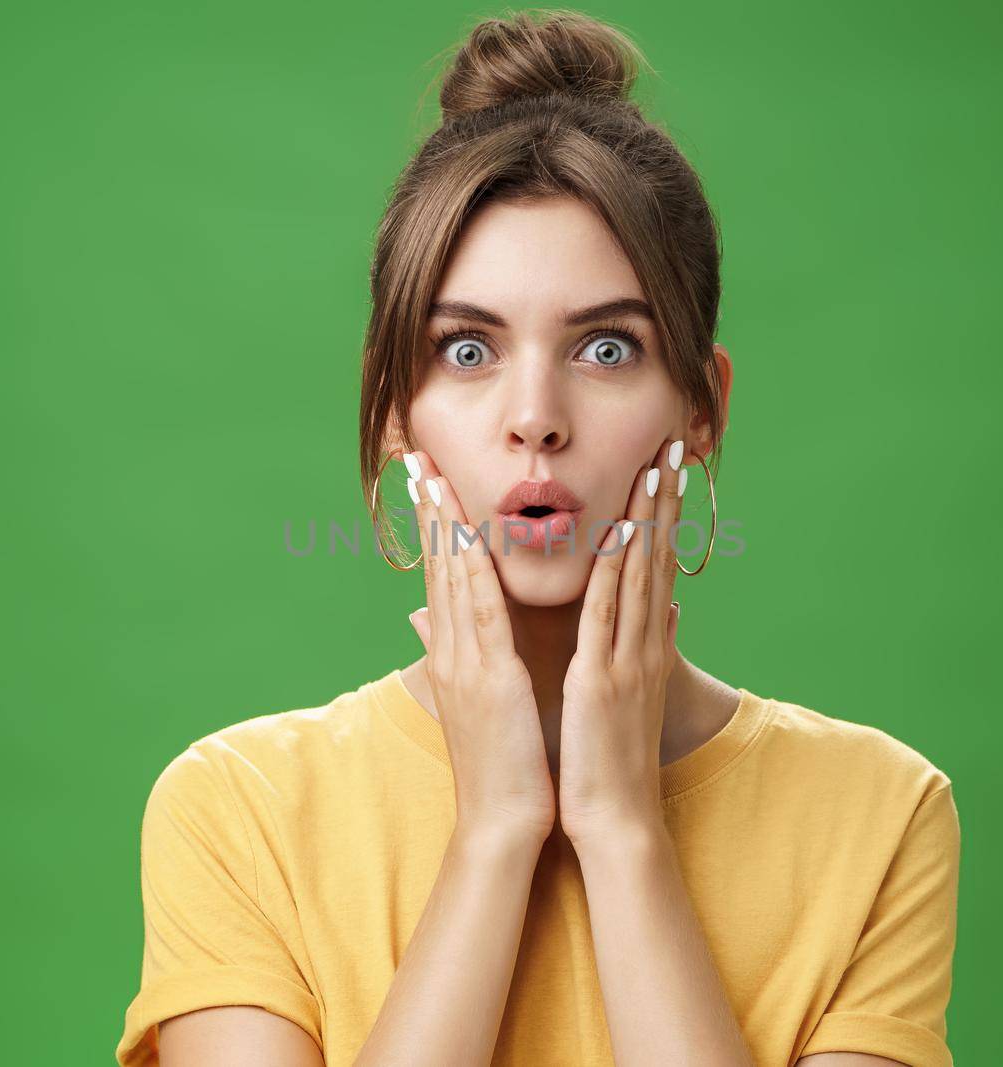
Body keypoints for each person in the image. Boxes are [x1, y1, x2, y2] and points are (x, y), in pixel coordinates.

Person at [115, 9, 960, 1067]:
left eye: (606, 346)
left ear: (702, 407)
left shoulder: (877, 813)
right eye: (466, 349)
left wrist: (620, 829)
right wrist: (494, 832)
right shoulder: (234, 807)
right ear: (389, 411)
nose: (535, 416)